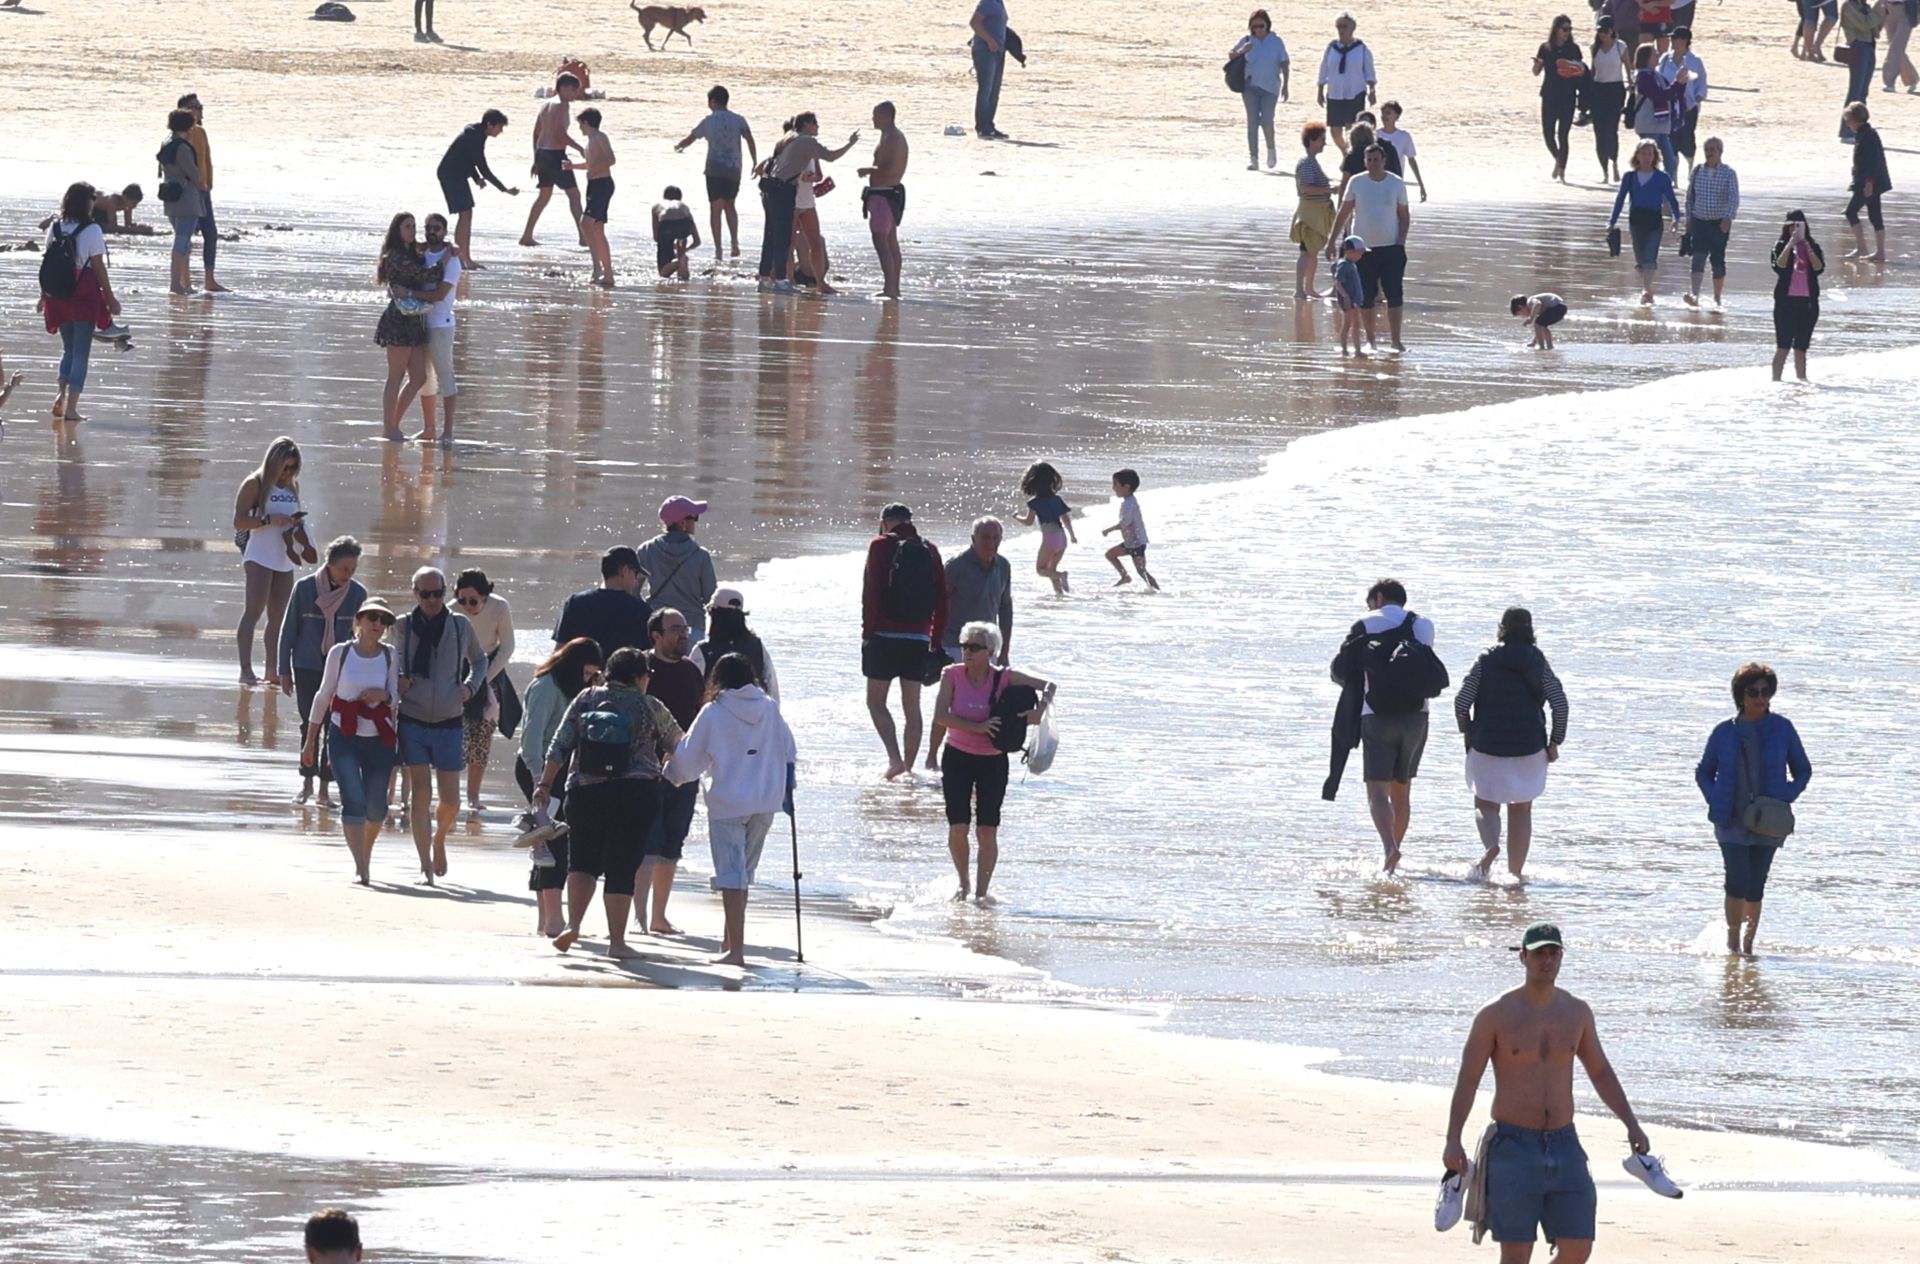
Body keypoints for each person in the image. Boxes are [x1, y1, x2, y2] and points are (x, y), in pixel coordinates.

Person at [1442, 922, 1667, 1262]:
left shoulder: (1577, 1012)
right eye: (1539, 953)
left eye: (1553, 953)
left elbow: (1600, 1071)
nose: (1546, 961)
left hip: (1565, 1144)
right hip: (1512, 1146)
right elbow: (1468, 1079)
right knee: (1517, 1254)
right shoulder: (1495, 1015)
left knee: (1578, 1247)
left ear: (1561, 956)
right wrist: (1453, 1138)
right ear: (1523, 957)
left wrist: (1631, 1124)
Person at [536, 648, 682, 959]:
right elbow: (678, 744)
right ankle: (617, 943)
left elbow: (560, 744)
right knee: (622, 865)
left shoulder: (586, 699)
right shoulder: (650, 705)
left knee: (582, 861)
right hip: (635, 794)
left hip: (585, 791)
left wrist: (545, 784)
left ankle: (572, 925)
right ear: (640, 677)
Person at [665, 654, 797, 966]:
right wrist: (786, 792)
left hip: (728, 803)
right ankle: (730, 943)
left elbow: (688, 759)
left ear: (718, 679)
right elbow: (789, 751)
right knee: (743, 876)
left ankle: (735, 951)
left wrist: (672, 775)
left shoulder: (714, 712)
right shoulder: (769, 707)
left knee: (731, 876)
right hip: (765, 802)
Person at [1694, 662, 1813, 956]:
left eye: (1765, 691)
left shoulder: (1782, 728)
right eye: (1753, 691)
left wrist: (1784, 795)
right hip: (1730, 819)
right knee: (1736, 879)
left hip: (1768, 821)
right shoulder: (1724, 732)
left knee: (1756, 883)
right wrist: (1716, 797)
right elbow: (1703, 772)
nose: (1761, 697)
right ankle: (1733, 943)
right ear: (1741, 695)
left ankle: (1749, 945)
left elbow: (1803, 770)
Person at [933, 621, 1056, 902]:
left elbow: (1049, 685)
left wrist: (1040, 710)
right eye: (964, 646)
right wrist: (976, 727)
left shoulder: (1005, 678)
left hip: (993, 762)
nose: (967, 652)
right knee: (958, 826)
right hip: (957, 757)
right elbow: (940, 715)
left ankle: (981, 893)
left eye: (974, 647)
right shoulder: (951, 675)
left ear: (990, 651)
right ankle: (963, 885)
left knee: (987, 830)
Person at [1328, 579, 1438, 873]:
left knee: (1377, 791)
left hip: (1374, 714)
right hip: (1417, 715)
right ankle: (1394, 854)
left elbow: (1340, 670)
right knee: (1402, 790)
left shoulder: (1364, 624)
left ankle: (1389, 849)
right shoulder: (1423, 624)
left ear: (1377, 597)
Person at [1452, 609, 1569, 881]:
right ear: (1531, 629)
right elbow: (1560, 705)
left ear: (1501, 628)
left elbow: (1461, 701)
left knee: (1485, 802)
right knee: (1521, 808)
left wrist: (1467, 733)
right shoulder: (1539, 662)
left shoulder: (1485, 660)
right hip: (1529, 746)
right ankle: (1515, 875)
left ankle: (1492, 846)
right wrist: (1555, 742)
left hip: (1486, 743)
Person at [395, 566, 486, 884]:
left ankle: (439, 840)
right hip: (413, 719)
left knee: (451, 800)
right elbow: (387, 662)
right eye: (425, 594)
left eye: (438, 593)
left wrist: (470, 688)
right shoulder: (402, 627)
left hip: (449, 719)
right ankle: (424, 866)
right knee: (421, 792)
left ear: (445, 592)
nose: (432, 600)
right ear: (414, 592)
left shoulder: (460, 626)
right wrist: (397, 681)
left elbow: (480, 660)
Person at [304, 599, 400, 885]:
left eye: (384, 621)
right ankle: (361, 866)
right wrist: (310, 741)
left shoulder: (390, 655)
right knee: (354, 801)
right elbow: (323, 695)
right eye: (372, 618)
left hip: (379, 738)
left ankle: (365, 854)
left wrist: (383, 696)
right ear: (359, 620)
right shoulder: (340, 653)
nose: (378, 625)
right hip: (342, 735)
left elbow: (395, 697)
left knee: (377, 807)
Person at [518, 637, 604, 935]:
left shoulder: (575, 691)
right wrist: (540, 782)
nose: (589, 680)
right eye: (586, 673)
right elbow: (530, 740)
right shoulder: (546, 687)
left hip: (562, 771)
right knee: (553, 842)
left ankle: (546, 920)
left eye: (594, 674)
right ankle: (553, 920)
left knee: (544, 842)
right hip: (539, 768)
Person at [862, 503, 950, 779]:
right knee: (912, 706)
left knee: (876, 702)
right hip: (918, 637)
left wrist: (868, 634)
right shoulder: (929, 549)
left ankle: (894, 759)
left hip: (884, 636)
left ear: (885, 522)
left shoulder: (879, 545)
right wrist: (935, 642)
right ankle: (909, 770)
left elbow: (871, 592)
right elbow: (942, 600)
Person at [280, 535, 368, 806]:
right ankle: (306, 783)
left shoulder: (357, 594)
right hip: (307, 665)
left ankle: (324, 790)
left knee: (336, 727)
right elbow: (289, 630)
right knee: (309, 725)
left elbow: (363, 637)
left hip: (343, 669)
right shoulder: (305, 588)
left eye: (353, 570)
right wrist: (283, 670)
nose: (348, 575)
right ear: (330, 564)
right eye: (344, 569)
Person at [926, 519, 1013, 768]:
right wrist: (935, 645)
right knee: (949, 704)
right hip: (956, 643)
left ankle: (978, 755)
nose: (991, 543)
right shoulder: (956, 566)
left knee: (985, 705)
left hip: (988, 647)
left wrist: (1004, 650)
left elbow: (1006, 607)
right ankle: (933, 757)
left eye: (996, 537)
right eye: (985, 537)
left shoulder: (1003, 565)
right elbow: (938, 605)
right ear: (973, 538)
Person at [640, 607, 706, 935]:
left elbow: (700, 720)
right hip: (642, 771)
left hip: (683, 770)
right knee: (645, 842)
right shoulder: (639, 666)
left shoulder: (692, 672)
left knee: (672, 843)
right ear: (656, 635)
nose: (683, 634)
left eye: (686, 629)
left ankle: (659, 917)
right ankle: (638, 916)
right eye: (675, 629)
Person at [234, 437, 317, 688]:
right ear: (273, 462)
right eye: (285, 467)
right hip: (259, 553)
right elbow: (239, 521)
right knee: (254, 611)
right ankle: (246, 669)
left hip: (283, 554)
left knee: (279, 616)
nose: (288, 473)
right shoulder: (255, 484)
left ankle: (272, 670)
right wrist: (268, 520)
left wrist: (297, 526)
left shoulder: (292, 486)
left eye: (293, 468)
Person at [40, 183, 124, 426]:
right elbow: (98, 267)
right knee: (80, 352)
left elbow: (47, 263)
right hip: (82, 295)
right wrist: (110, 299)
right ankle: (72, 409)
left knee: (68, 348)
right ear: (87, 203)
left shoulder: (56, 226)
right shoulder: (92, 230)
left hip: (57, 295)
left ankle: (61, 394)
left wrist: (43, 295)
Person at [756, 114, 859, 290]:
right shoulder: (806, 141)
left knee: (771, 235)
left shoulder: (787, 139)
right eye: (815, 124)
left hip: (771, 190)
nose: (818, 127)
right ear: (807, 125)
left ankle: (765, 279)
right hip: (783, 191)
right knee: (782, 238)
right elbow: (831, 156)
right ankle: (781, 280)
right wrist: (850, 143)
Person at [1326, 144, 1412, 352]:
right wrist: (1331, 241)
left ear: (1384, 161)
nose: (1373, 163)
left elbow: (1404, 216)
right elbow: (1344, 212)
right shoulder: (1357, 182)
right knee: (1365, 297)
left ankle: (1396, 340)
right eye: (1369, 160)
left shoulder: (1396, 183)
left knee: (1394, 295)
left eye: (1376, 159)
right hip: (1361, 250)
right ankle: (1370, 341)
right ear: (1365, 162)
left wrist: (1401, 242)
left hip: (1391, 248)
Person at [374, 213, 440, 441]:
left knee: (419, 376)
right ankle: (389, 427)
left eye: (414, 226)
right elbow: (426, 273)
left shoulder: (411, 253)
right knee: (395, 376)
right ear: (397, 230)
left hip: (415, 320)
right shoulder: (395, 256)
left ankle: (394, 424)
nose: (412, 230)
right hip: (399, 320)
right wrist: (446, 257)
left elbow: (422, 262)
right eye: (407, 226)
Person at [454, 569, 515, 813]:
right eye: (462, 600)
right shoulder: (450, 610)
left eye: (473, 601)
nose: (467, 606)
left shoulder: (500, 607)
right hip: (458, 670)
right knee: (456, 735)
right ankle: (451, 793)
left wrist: (482, 680)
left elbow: (507, 648)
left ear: (485, 595)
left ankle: (473, 796)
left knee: (481, 735)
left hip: (491, 668)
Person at [675, 85, 758, 262]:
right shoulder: (739, 120)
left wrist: (678, 146)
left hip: (714, 169)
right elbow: (750, 139)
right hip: (734, 169)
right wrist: (755, 161)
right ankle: (735, 242)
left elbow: (690, 138)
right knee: (730, 206)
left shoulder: (709, 121)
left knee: (715, 209)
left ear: (712, 101)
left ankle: (719, 249)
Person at [437, 110, 519, 268]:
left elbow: (469, 159)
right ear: (489, 124)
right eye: (500, 127)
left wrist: (476, 179)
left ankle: (463, 258)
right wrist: (504, 189)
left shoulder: (477, 134)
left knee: (466, 213)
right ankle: (463, 259)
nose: (501, 131)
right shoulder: (475, 137)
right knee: (465, 213)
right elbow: (483, 168)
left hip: (455, 174)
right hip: (451, 174)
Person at [1607, 140, 1682, 306]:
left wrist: (1676, 219)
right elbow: (1620, 200)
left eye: (1650, 153)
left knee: (1650, 256)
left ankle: (1646, 290)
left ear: (1655, 156)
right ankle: (1647, 288)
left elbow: (1672, 200)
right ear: (1637, 156)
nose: (1646, 157)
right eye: (1643, 153)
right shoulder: (1630, 177)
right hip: (1636, 220)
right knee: (1640, 260)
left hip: (1654, 220)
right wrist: (1611, 222)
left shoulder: (1662, 177)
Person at [635, 495, 718, 638]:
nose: (696, 521)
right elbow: (711, 598)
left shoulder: (646, 550)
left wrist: (649, 612)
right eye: (695, 518)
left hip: (657, 629)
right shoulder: (700, 555)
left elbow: (633, 591)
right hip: (691, 629)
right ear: (682, 523)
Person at [520, 73, 586, 248]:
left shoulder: (545, 104)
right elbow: (559, 134)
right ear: (563, 88)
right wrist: (579, 148)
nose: (575, 95)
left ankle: (527, 235)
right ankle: (583, 236)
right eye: (573, 91)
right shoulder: (561, 106)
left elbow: (536, 133)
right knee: (574, 195)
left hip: (542, 153)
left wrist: (536, 158)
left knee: (544, 196)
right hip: (555, 155)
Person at [552, 546, 652, 655]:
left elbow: (559, 651)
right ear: (625, 571)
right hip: (623, 671)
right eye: (636, 573)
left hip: (583, 671)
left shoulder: (575, 603)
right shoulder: (642, 611)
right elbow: (650, 654)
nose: (636, 581)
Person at [417, 213, 464, 443]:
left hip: (441, 323)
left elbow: (440, 294)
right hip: (419, 322)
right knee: (424, 377)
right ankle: (429, 428)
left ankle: (448, 431)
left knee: (445, 376)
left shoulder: (453, 259)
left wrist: (412, 294)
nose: (431, 231)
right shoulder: (421, 253)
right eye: (428, 228)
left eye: (436, 228)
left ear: (445, 230)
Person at [177, 94, 231, 294]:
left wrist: (208, 184)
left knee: (211, 233)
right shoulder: (180, 135)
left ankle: (210, 279)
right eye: (193, 107)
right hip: (187, 192)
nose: (197, 111)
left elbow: (206, 160)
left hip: (203, 190)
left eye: (199, 107)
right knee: (185, 236)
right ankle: (184, 280)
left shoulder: (201, 132)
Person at [857, 101, 910, 299]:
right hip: (884, 192)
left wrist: (868, 170)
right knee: (889, 241)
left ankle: (890, 289)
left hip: (885, 194)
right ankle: (893, 288)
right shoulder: (887, 136)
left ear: (887, 116)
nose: (873, 119)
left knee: (881, 241)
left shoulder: (893, 138)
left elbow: (890, 168)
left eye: (876, 115)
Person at [691, 587, 780, 700]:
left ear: (714, 615)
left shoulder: (702, 650)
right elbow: (772, 687)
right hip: (755, 714)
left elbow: (690, 690)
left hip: (715, 715)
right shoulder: (757, 646)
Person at [1231, 9, 1291, 171]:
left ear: (1267, 25)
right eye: (1254, 26)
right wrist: (1242, 51)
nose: (1258, 29)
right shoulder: (1247, 40)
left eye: (1261, 25)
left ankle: (1271, 149)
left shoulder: (1276, 41)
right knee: (1252, 122)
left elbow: (1284, 62)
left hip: (1271, 87)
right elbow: (1231, 55)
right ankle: (1253, 158)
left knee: (1266, 121)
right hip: (1250, 86)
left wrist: (1286, 84)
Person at [1770, 211, 1826, 381]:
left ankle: (1802, 381)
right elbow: (1778, 266)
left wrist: (1806, 247)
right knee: (1783, 346)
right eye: (1792, 225)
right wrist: (1791, 244)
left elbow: (1818, 268)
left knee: (1801, 348)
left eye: (1799, 225)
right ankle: (1776, 382)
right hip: (1785, 303)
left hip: (1807, 303)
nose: (1795, 228)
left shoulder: (1814, 247)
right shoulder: (1780, 246)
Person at [156, 111, 208, 296]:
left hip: (171, 197)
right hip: (187, 198)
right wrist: (203, 184)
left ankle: (184, 283)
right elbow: (195, 175)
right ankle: (177, 284)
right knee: (182, 242)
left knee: (182, 241)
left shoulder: (166, 143)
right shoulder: (183, 148)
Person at [565, 108, 618, 287]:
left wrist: (594, 171)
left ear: (587, 123)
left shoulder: (599, 137)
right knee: (597, 230)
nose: (579, 128)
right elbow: (590, 164)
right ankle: (607, 274)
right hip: (594, 185)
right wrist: (572, 166)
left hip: (602, 185)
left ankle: (597, 268)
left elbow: (611, 159)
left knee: (585, 223)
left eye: (580, 124)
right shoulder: (590, 142)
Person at [1683, 136, 1738, 306]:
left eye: (1712, 150)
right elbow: (1690, 197)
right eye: (1706, 150)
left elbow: (1734, 198)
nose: (1709, 153)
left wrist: (1728, 217)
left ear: (1720, 152)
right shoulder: (1697, 171)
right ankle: (1695, 295)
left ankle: (1717, 298)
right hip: (1699, 222)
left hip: (1719, 224)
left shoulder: (1728, 173)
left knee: (1718, 261)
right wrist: (1689, 218)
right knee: (1698, 258)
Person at [1316, 14, 1376, 155]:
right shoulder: (1331, 48)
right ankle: (1345, 152)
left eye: (1345, 26)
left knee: (1351, 127)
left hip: (1355, 92)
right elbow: (1324, 68)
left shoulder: (1361, 48)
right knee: (1335, 130)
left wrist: (1372, 90)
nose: (1341, 30)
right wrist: (1320, 89)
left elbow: (1369, 71)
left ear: (1353, 28)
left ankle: (1352, 155)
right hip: (1335, 92)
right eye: (1339, 26)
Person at [1013, 460, 1075, 595]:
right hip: (1062, 538)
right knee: (1052, 569)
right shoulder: (1057, 499)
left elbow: (1029, 522)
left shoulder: (1034, 502)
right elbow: (1066, 519)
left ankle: (1061, 576)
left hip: (1050, 539)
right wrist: (1072, 536)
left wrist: (1016, 517)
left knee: (1041, 570)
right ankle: (1062, 594)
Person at [1537, 17, 1587, 183]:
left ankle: (1562, 171)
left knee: (1563, 134)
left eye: (1569, 29)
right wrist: (1537, 64)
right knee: (1548, 134)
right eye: (1564, 29)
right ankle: (1559, 160)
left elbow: (1581, 70)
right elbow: (1536, 72)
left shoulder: (1573, 49)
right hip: (1549, 95)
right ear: (1556, 29)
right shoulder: (1545, 48)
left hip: (1568, 96)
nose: (1567, 33)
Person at [1628, 44, 1688, 178]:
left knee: (1670, 161)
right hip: (1648, 123)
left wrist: (1681, 82)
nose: (1657, 55)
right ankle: (1645, 185)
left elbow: (1671, 93)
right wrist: (1677, 83)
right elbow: (1660, 96)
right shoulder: (1643, 77)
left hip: (1660, 124)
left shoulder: (1656, 75)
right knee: (1648, 160)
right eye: (1654, 53)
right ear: (1647, 58)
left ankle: (1665, 189)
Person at [1291, 123, 1336, 299]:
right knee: (1305, 251)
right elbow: (1306, 188)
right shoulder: (1307, 163)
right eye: (1322, 140)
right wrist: (1330, 190)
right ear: (1311, 141)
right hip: (1309, 215)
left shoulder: (1311, 162)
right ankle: (1300, 289)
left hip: (1314, 214)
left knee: (1312, 252)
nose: (1324, 144)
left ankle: (1308, 289)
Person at [1842, 101, 1892, 260]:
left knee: (1851, 212)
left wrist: (1869, 183)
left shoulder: (1867, 136)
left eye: (1848, 121)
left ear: (1855, 120)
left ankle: (1862, 248)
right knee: (1875, 216)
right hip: (1871, 182)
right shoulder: (1866, 133)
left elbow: (1873, 161)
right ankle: (1880, 253)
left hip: (1868, 183)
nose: (1847, 124)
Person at [1657, 26, 1708, 173]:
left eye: (1676, 38)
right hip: (1669, 106)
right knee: (1669, 140)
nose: (1673, 41)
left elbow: (1701, 82)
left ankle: (1690, 166)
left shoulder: (1695, 61)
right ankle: (1672, 174)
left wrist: (1698, 98)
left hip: (1688, 107)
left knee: (1687, 139)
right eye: (1672, 38)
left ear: (1685, 41)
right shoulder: (1665, 59)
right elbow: (1659, 78)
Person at [1587, 18, 1631, 183]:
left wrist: (1632, 87)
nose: (1603, 34)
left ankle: (1614, 164)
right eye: (1600, 31)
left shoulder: (1621, 46)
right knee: (1599, 131)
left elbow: (1628, 67)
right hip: (1598, 91)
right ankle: (1604, 170)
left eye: (1606, 31)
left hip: (1615, 90)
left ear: (1612, 31)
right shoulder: (1595, 48)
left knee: (1611, 130)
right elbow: (1593, 72)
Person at [1101, 469, 1157, 589]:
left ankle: (1158, 592)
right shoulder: (1128, 502)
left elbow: (1124, 524)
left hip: (1136, 543)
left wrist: (1108, 530)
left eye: (1115, 484)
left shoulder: (1129, 504)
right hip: (1130, 542)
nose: (1113, 488)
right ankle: (1125, 576)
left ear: (1126, 487)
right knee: (1110, 555)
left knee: (1142, 572)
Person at [1840, 0, 1888, 137]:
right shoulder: (1849, 6)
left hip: (1868, 47)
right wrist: (1878, 10)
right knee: (1855, 91)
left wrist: (1883, 12)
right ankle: (1846, 131)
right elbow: (1865, 24)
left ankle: (1858, 129)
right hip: (1857, 47)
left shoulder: (1863, 6)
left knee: (1862, 92)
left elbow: (1876, 30)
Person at [970, 0, 1011, 139]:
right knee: (985, 90)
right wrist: (989, 40)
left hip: (998, 51)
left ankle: (989, 125)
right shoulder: (988, 2)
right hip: (984, 51)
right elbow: (974, 23)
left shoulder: (999, 3)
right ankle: (982, 127)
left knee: (994, 91)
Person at [1375, 101, 1427, 201]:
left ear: (1397, 117)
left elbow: (1411, 160)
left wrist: (1421, 185)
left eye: (1388, 113)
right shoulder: (1375, 135)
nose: (1384, 116)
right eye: (1383, 113)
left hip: (1395, 179)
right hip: (1376, 179)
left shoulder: (1404, 136)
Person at [652, 187, 702, 281]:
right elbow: (697, 241)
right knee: (682, 240)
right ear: (680, 198)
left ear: (664, 196)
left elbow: (656, 237)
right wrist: (686, 249)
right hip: (684, 225)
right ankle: (682, 263)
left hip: (666, 225)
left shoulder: (656, 206)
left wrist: (668, 246)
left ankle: (679, 263)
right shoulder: (684, 206)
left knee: (662, 273)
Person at [1332, 234, 1368, 355]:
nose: (1361, 256)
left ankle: (1357, 350)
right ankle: (1344, 349)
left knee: (1356, 324)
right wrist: (1346, 297)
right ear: (1349, 251)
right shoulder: (1344, 265)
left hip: (1354, 299)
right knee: (1347, 324)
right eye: (1359, 253)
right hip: (1348, 299)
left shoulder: (1351, 264)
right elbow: (1338, 283)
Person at [1882, 0, 1919, 90]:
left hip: (1906, 10)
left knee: (1896, 47)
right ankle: (1912, 79)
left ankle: (1889, 82)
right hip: (1888, 9)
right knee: (1896, 49)